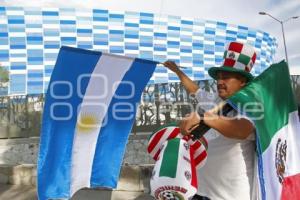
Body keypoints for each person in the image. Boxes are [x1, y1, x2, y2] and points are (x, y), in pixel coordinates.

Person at [163, 41, 257, 200]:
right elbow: (194, 89)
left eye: (226, 77)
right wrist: (177, 71)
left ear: (243, 81)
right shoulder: (215, 100)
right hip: (199, 192)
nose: (220, 81)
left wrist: (203, 117)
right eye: (219, 77)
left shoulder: (251, 105)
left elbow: (242, 129)